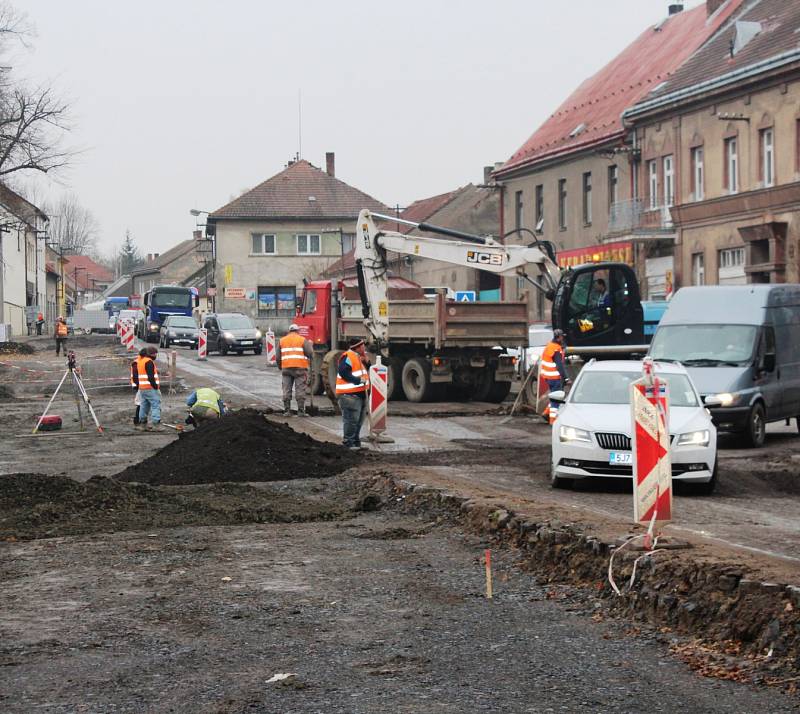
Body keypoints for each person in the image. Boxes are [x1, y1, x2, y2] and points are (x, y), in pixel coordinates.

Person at [336, 338, 370, 450]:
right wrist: (357, 380)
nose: (364, 348)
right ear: (357, 347)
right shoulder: (348, 356)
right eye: (362, 346)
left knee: (358, 421)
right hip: (350, 395)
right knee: (351, 420)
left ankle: (355, 442)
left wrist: (367, 362)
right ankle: (348, 443)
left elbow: (362, 372)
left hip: (359, 395)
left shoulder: (358, 357)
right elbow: (343, 371)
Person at [277, 323, 313, 416]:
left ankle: (287, 411)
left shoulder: (282, 340)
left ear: (289, 331)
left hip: (286, 369)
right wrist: (310, 345)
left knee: (286, 389)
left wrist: (280, 366)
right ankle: (301, 411)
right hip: (300, 369)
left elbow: (278, 357)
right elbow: (310, 353)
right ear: (298, 331)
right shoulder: (302, 340)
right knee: (300, 389)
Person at [539, 329, 569, 425]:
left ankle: (546, 413)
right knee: (556, 400)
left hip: (548, 377)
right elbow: (559, 365)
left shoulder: (549, 346)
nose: (563, 338)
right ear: (559, 337)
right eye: (562, 336)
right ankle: (553, 421)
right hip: (555, 378)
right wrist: (566, 378)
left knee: (554, 397)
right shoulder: (556, 349)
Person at [131, 345, 163, 431]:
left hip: (142, 388)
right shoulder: (149, 362)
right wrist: (155, 386)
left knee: (143, 406)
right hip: (150, 388)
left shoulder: (140, 361)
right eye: (155, 354)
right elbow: (150, 376)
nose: (156, 356)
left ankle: (142, 424)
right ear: (152, 354)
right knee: (155, 405)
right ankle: (156, 424)